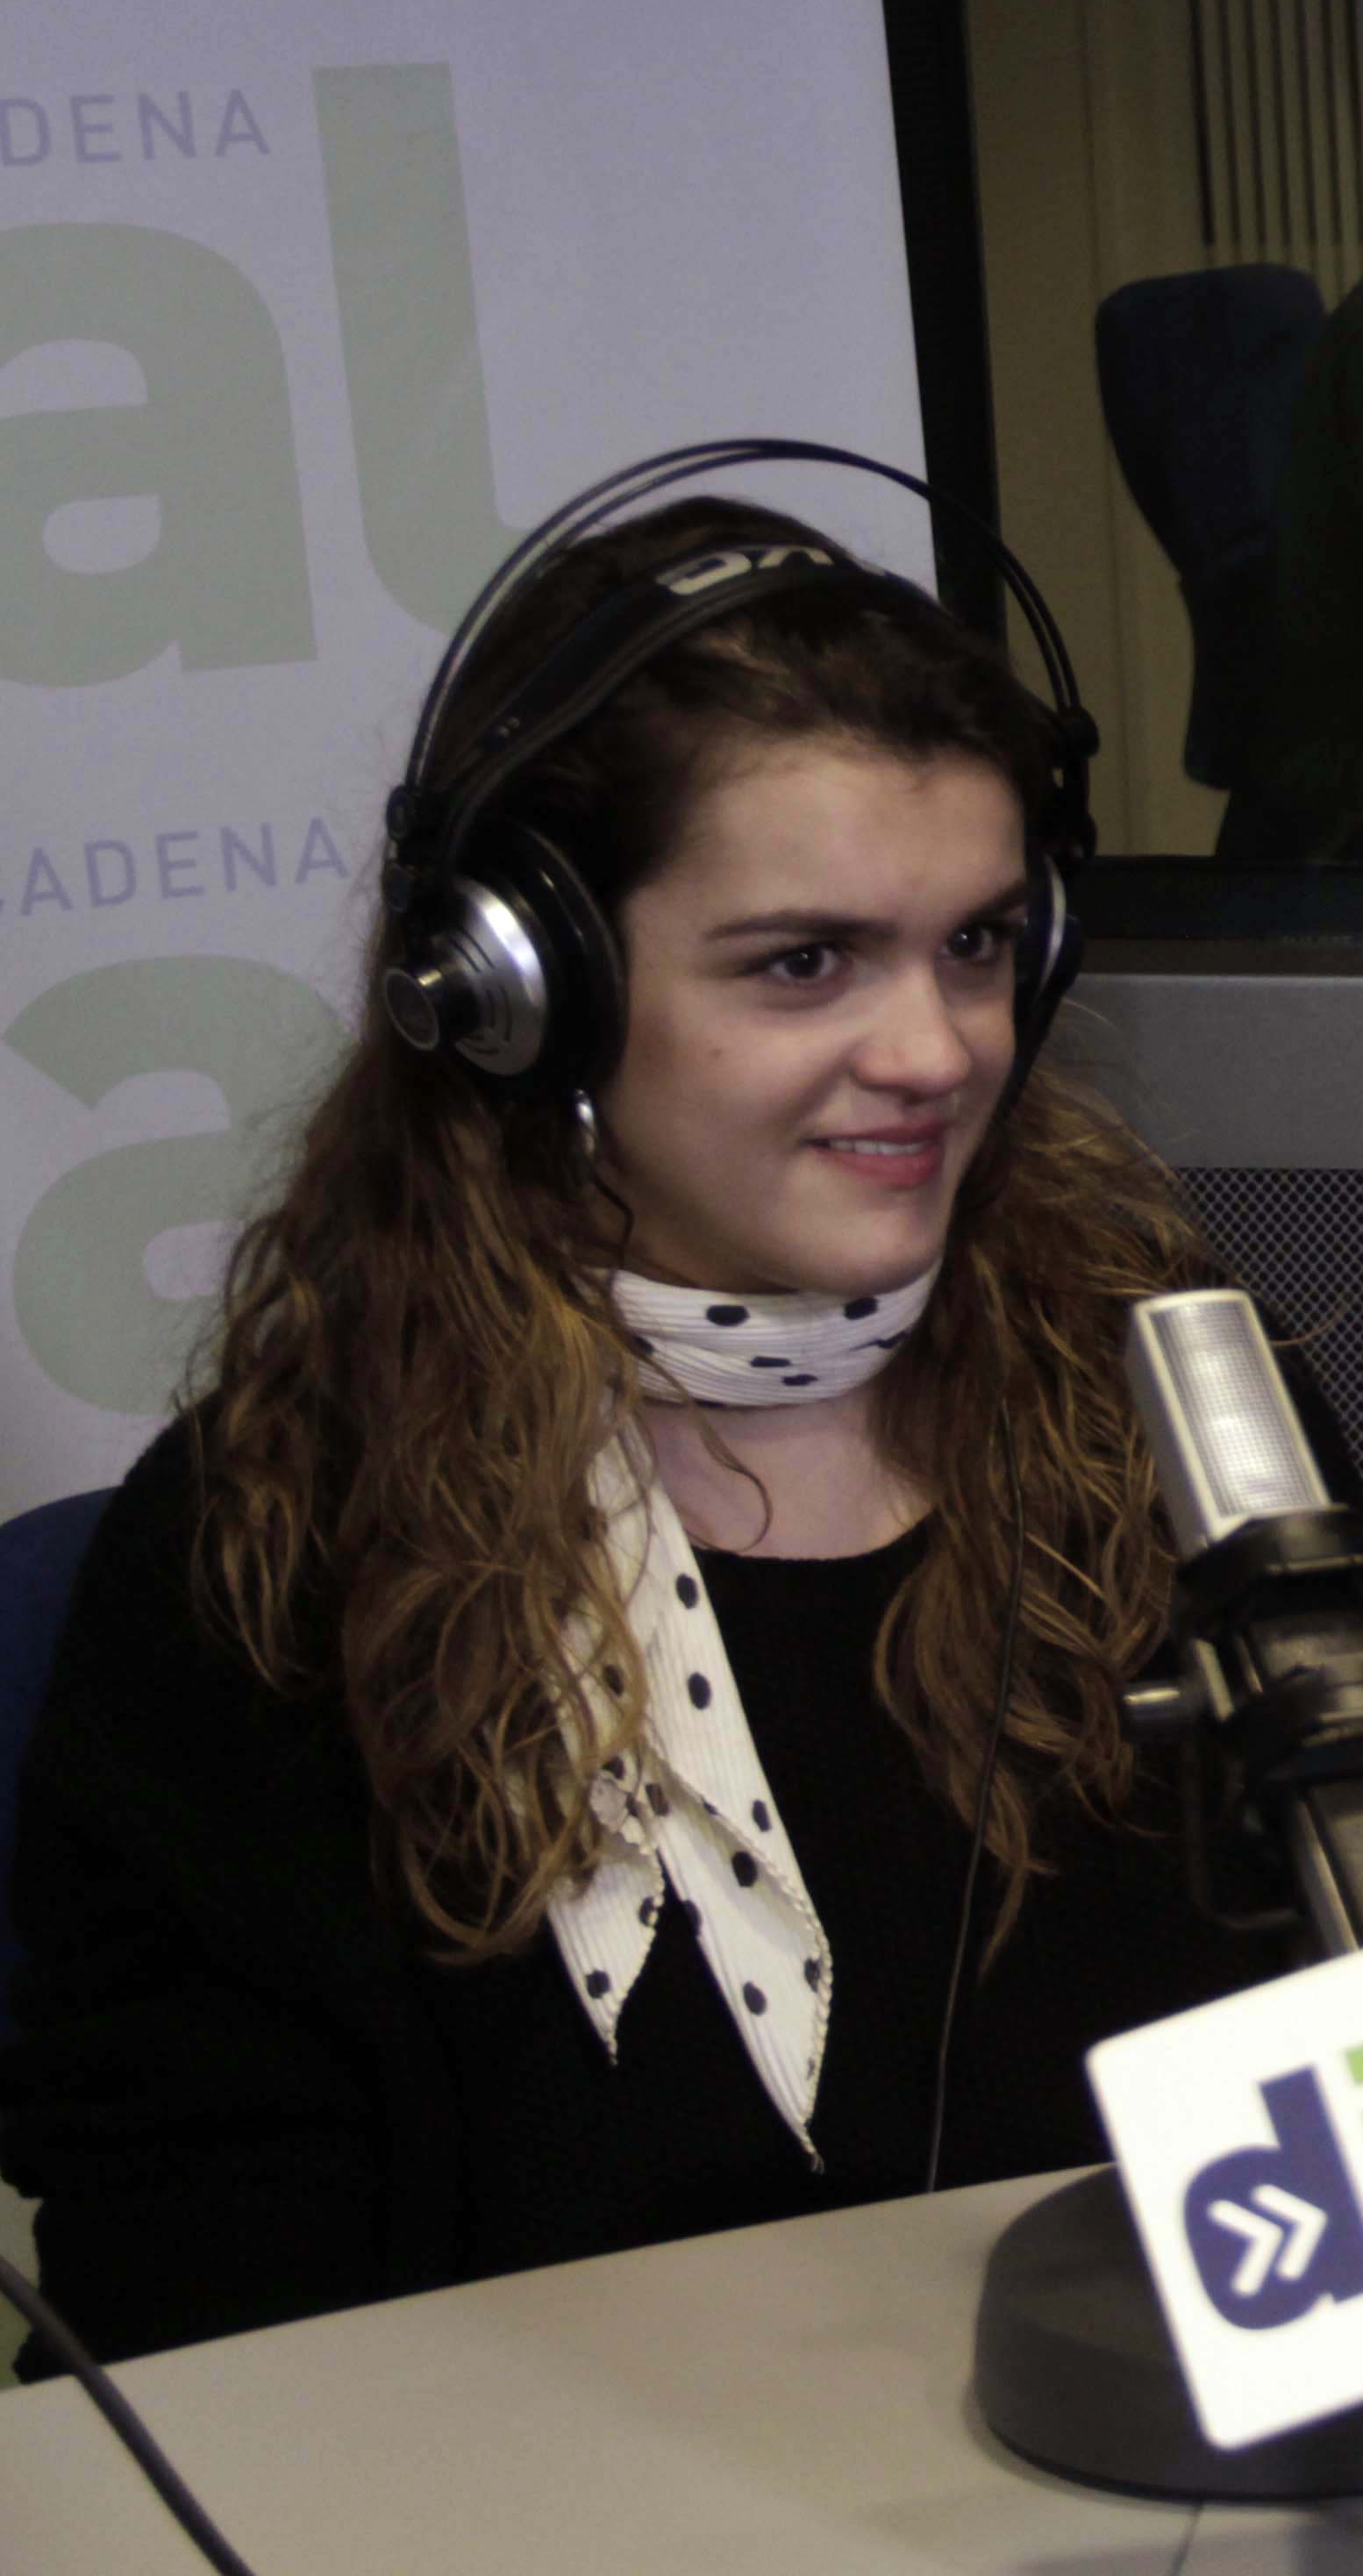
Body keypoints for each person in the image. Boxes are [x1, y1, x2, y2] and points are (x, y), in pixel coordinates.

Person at [0, 499, 1288, 2367]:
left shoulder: (1172, 1396)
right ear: (528, 993)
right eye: (804, 963)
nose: (937, 1050)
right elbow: (215, 2338)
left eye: (980, 943)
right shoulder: (277, 1544)